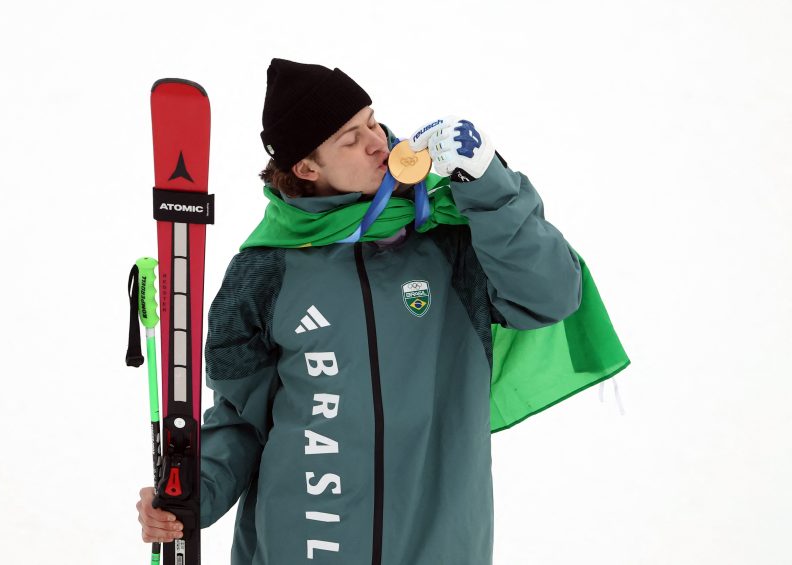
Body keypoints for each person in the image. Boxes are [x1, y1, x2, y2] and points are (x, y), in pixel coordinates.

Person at [136, 58, 628, 564]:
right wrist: (194, 495)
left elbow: (550, 296)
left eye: (373, 122)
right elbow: (241, 418)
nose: (378, 142)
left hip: (439, 547)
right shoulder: (265, 268)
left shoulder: (449, 235)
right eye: (350, 139)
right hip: (302, 547)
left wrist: (487, 181)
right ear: (307, 168)